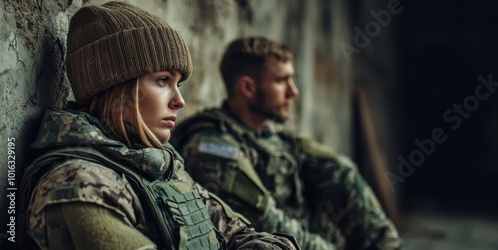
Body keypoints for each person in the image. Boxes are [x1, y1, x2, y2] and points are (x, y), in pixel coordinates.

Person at [17, 3, 301, 250]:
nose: (179, 101)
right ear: (115, 86)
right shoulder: (78, 185)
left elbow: (237, 233)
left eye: (179, 84)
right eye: (163, 80)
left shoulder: (157, 163)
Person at [171, 37, 404, 250]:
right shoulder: (213, 149)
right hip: (270, 242)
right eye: (282, 81)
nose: (294, 91)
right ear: (248, 88)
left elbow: (339, 173)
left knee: (342, 172)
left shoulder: (270, 136)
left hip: (302, 233)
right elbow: (267, 223)